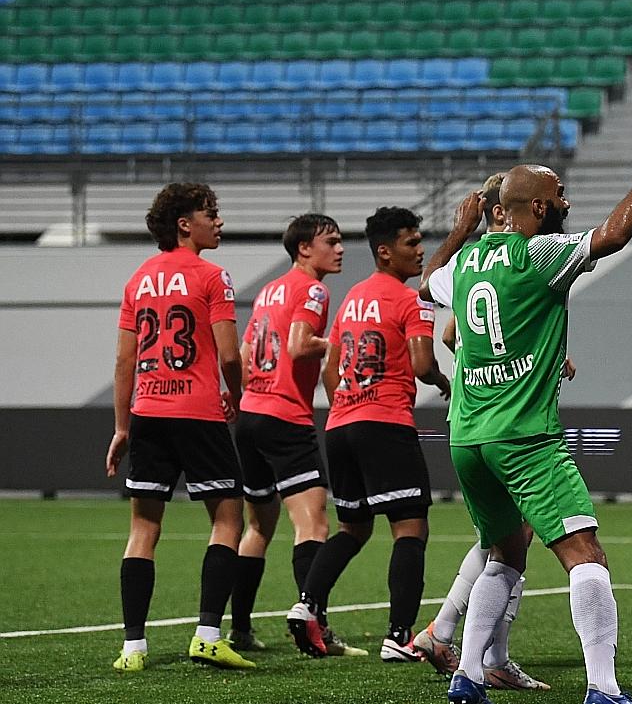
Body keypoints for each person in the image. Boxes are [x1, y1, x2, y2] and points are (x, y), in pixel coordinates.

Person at [421, 127, 632, 704]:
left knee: (504, 553)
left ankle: (468, 675)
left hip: (468, 435)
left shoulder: (469, 259)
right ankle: (603, 688)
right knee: (585, 554)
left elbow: (429, 283)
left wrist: (460, 229)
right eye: (561, 195)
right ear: (540, 208)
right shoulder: (539, 253)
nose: (569, 202)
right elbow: (614, 235)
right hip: (525, 436)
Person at [285, 206, 452, 662]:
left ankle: (308, 604)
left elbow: (330, 372)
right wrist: (442, 382)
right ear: (385, 251)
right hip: (384, 424)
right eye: (411, 243)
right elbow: (420, 364)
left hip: (340, 425)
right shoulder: (411, 299)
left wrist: (349, 401)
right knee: (410, 530)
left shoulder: (352, 297)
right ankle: (399, 637)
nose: (420, 251)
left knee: (352, 529)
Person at [106, 182, 254, 671]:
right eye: (210, 213)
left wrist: (122, 427)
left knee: (144, 528)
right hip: (198, 413)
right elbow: (230, 353)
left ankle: (132, 647)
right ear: (184, 224)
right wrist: (236, 391)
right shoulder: (212, 276)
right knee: (228, 519)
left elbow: (125, 361)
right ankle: (208, 634)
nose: (220, 221)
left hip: (148, 413)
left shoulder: (137, 279)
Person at [412, 173, 548, 692]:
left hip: (476, 416)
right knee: (512, 539)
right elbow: (445, 325)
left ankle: (461, 640)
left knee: (504, 538)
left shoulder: (486, 267)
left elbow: (454, 329)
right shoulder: (503, 259)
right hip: (498, 418)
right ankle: (466, 643)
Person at [226, 213, 361, 656]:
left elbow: (248, 353)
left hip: (251, 414)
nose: (339, 249)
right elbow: (299, 345)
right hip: (286, 418)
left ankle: (241, 629)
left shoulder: (270, 290)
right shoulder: (314, 290)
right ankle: (314, 627)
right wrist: (343, 339)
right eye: (332, 241)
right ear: (305, 248)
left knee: (259, 525)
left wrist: (242, 400)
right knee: (314, 524)